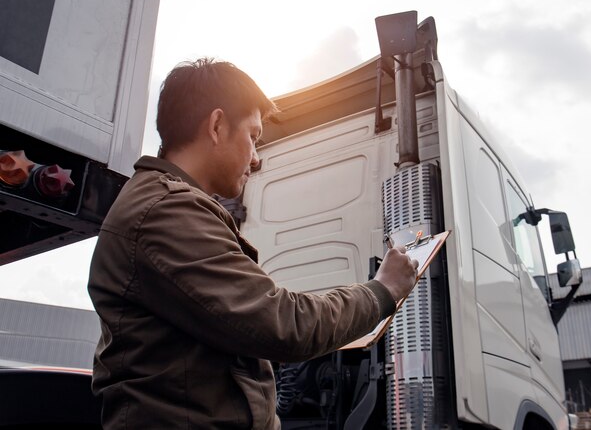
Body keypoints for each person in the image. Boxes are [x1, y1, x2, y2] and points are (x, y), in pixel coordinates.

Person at [88, 57, 418, 429]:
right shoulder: (167, 210)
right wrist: (383, 290)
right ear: (216, 126)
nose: (257, 158)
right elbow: (283, 325)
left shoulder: (167, 205)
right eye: (254, 137)